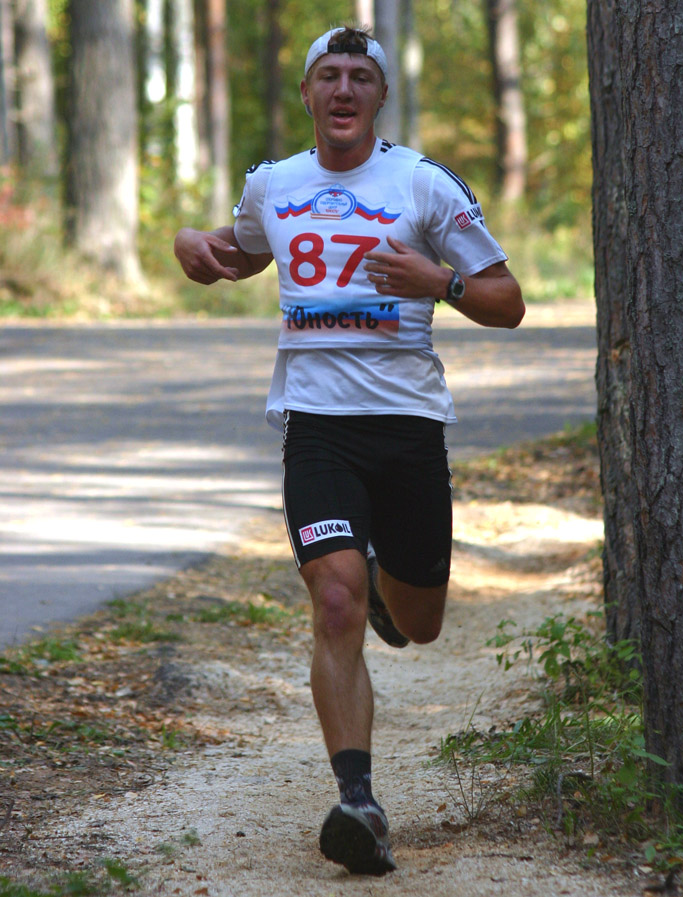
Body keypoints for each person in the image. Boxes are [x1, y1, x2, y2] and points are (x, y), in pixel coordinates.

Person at [174, 25, 525, 876]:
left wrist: (436, 281)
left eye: (359, 77)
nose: (342, 90)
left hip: (407, 427)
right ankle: (357, 800)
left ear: (379, 98)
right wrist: (196, 253)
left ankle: (380, 589)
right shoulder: (273, 185)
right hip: (317, 424)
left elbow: (506, 300)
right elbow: (238, 254)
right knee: (332, 599)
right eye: (327, 75)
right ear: (307, 95)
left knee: (420, 622)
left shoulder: (424, 185)